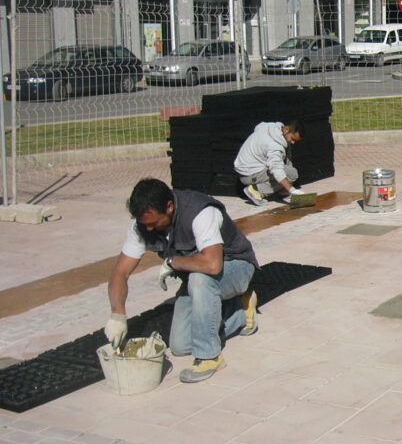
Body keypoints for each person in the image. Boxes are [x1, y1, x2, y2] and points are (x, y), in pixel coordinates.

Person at [105, 178, 260, 383]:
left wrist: (172, 262)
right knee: (180, 345)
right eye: (145, 224)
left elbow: (213, 265)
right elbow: (120, 273)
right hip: (202, 280)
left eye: (153, 223)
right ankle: (241, 311)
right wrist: (117, 314)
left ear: (169, 207)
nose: (149, 229)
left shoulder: (200, 212)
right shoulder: (142, 225)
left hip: (236, 267)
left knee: (199, 278)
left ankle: (209, 357)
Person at [234, 121, 304, 206]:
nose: (293, 142)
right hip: (249, 175)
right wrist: (291, 189)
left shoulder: (270, 127)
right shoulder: (274, 146)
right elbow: (276, 170)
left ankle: (282, 192)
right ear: (286, 130)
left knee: (286, 160)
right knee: (292, 174)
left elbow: (258, 126)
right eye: (292, 139)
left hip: (243, 169)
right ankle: (256, 190)